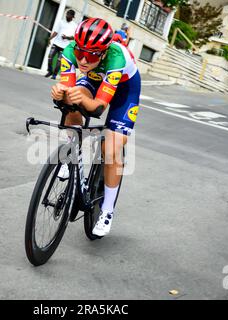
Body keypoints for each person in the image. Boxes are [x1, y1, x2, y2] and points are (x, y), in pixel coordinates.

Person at [51, 18, 141, 237]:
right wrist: (59, 93)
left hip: (124, 90)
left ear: (102, 52)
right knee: (71, 100)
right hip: (93, 80)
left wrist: (80, 101)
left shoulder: (116, 57)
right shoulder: (71, 52)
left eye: (90, 55)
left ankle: (107, 210)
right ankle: (72, 152)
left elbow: (98, 106)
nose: (82, 60)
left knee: (110, 150)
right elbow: (68, 90)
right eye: (80, 52)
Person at [45, 9, 77, 80]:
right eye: (67, 14)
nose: (67, 15)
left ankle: (54, 75)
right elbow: (56, 32)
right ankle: (50, 71)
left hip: (65, 47)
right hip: (56, 43)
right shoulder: (61, 22)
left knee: (59, 61)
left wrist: (67, 37)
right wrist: (49, 39)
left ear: (72, 17)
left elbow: (74, 37)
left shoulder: (75, 26)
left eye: (69, 15)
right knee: (50, 56)